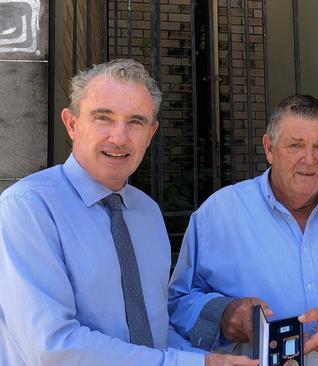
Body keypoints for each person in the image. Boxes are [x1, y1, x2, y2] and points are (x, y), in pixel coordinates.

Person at [0, 59, 256, 366]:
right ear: (71, 124)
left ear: (151, 133)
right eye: (103, 117)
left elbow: (152, 335)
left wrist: (206, 360)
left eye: (135, 122)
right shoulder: (29, 208)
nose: (119, 137)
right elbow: (52, 347)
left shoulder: (147, 213)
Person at [168, 94, 318, 365]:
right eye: (296, 145)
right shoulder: (219, 213)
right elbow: (177, 302)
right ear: (269, 148)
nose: (309, 160)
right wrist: (224, 315)